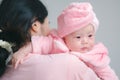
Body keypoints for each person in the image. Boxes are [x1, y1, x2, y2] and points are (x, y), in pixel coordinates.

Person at [12, 2, 119, 80]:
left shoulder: (95, 55)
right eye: (78, 37)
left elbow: (108, 74)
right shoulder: (57, 44)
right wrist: (22, 52)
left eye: (90, 36)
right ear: (65, 37)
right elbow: (38, 43)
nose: (85, 41)